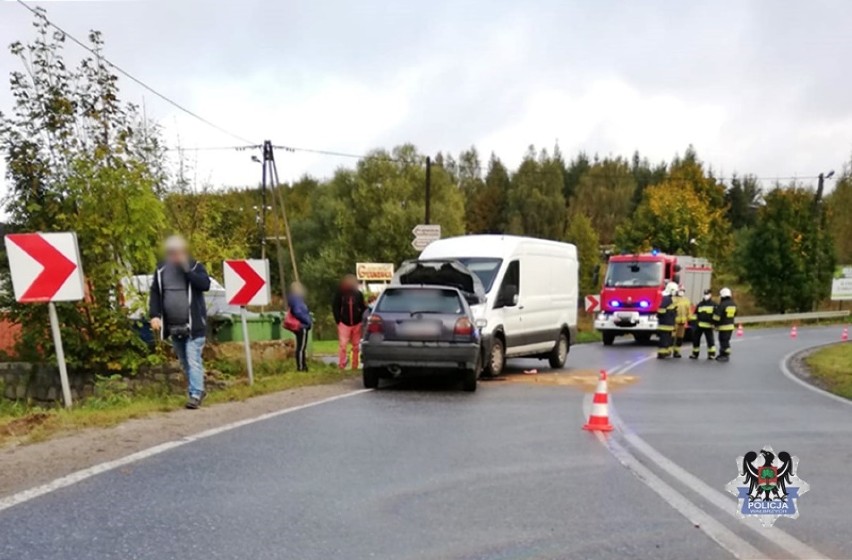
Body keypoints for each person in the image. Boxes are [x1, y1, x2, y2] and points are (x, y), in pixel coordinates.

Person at [149, 235, 211, 409]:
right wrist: (155, 315)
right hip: (174, 327)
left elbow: (204, 284)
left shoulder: (195, 266)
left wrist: (186, 270)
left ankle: (195, 394)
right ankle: (197, 389)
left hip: (194, 326)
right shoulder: (161, 270)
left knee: (193, 359)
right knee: (185, 362)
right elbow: (155, 293)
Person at [333, 274, 367, 369]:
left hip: (357, 323)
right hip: (344, 323)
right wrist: (338, 321)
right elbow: (336, 307)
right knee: (343, 346)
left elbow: (362, 307)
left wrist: (362, 318)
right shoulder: (340, 294)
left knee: (356, 346)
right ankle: (341, 365)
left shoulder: (358, 294)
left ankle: (355, 365)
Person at [287, 282, 312, 372]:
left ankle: (303, 365)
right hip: (302, 325)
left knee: (301, 347)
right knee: (301, 348)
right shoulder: (296, 299)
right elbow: (298, 312)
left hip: (301, 325)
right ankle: (301, 367)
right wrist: (307, 321)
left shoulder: (296, 299)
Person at [689, 289, 717, 360]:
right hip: (699, 325)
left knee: (710, 340)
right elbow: (695, 315)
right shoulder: (700, 304)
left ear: (710, 295)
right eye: (705, 294)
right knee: (696, 340)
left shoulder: (714, 305)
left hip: (708, 326)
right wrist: (694, 324)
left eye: (707, 294)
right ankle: (695, 354)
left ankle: (711, 354)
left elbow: (716, 316)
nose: (706, 296)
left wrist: (714, 324)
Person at [713, 287, 737, 362]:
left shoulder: (722, 305)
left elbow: (717, 317)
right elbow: (735, 314)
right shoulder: (733, 304)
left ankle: (724, 355)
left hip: (723, 326)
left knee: (723, 341)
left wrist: (714, 323)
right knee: (726, 340)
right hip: (730, 325)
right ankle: (722, 354)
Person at [656, 281, 679, 359]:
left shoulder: (669, 299)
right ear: (671, 290)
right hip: (665, 324)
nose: (676, 292)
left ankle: (665, 352)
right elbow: (661, 310)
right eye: (675, 291)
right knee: (664, 340)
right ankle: (661, 354)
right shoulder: (667, 299)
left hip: (668, 324)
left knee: (667, 339)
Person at [673, 287, 692, 358]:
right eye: (680, 290)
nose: (681, 292)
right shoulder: (673, 299)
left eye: (683, 291)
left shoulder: (686, 300)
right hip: (674, 322)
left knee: (680, 338)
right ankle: (669, 351)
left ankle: (677, 352)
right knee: (672, 337)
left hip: (682, 322)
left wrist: (690, 320)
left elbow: (688, 311)